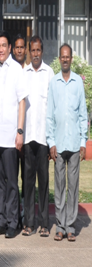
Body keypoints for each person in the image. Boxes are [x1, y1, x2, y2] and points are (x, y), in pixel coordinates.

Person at [46, 44, 88, 242]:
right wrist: (51, 142)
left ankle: (70, 225)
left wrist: (83, 141)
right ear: (59, 58)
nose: (64, 59)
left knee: (73, 186)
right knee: (60, 185)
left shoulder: (78, 81)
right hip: (58, 143)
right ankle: (60, 226)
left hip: (73, 143)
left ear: (71, 59)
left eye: (67, 57)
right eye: (62, 56)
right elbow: (49, 115)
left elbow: (83, 114)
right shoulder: (53, 82)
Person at [0, 30, 28, 239]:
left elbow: (22, 102)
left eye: (4, 45)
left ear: (10, 48)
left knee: (12, 182)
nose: (1, 49)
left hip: (11, 138)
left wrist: (20, 131)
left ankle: (13, 222)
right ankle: (1, 220)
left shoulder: (17, 70)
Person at [21, 36, 52, 238]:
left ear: (42, 51)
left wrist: (51, 140)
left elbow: (52, 107)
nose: (35, 53)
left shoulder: (49, 73)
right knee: (28, 182)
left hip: (43, 137)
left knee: (44, 182)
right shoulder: (22, 74)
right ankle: (29, 223)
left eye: (38, 50)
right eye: (32, 50)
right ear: (28, 52)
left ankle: (44, 223)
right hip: (27, 137)